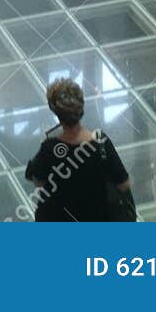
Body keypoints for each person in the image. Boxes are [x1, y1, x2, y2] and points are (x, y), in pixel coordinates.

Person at [26, 78, 133, 222]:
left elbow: (39, 182)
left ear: (55, 111)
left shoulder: (50, 148)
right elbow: (123, 184)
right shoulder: (101, 143)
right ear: (81, 106)